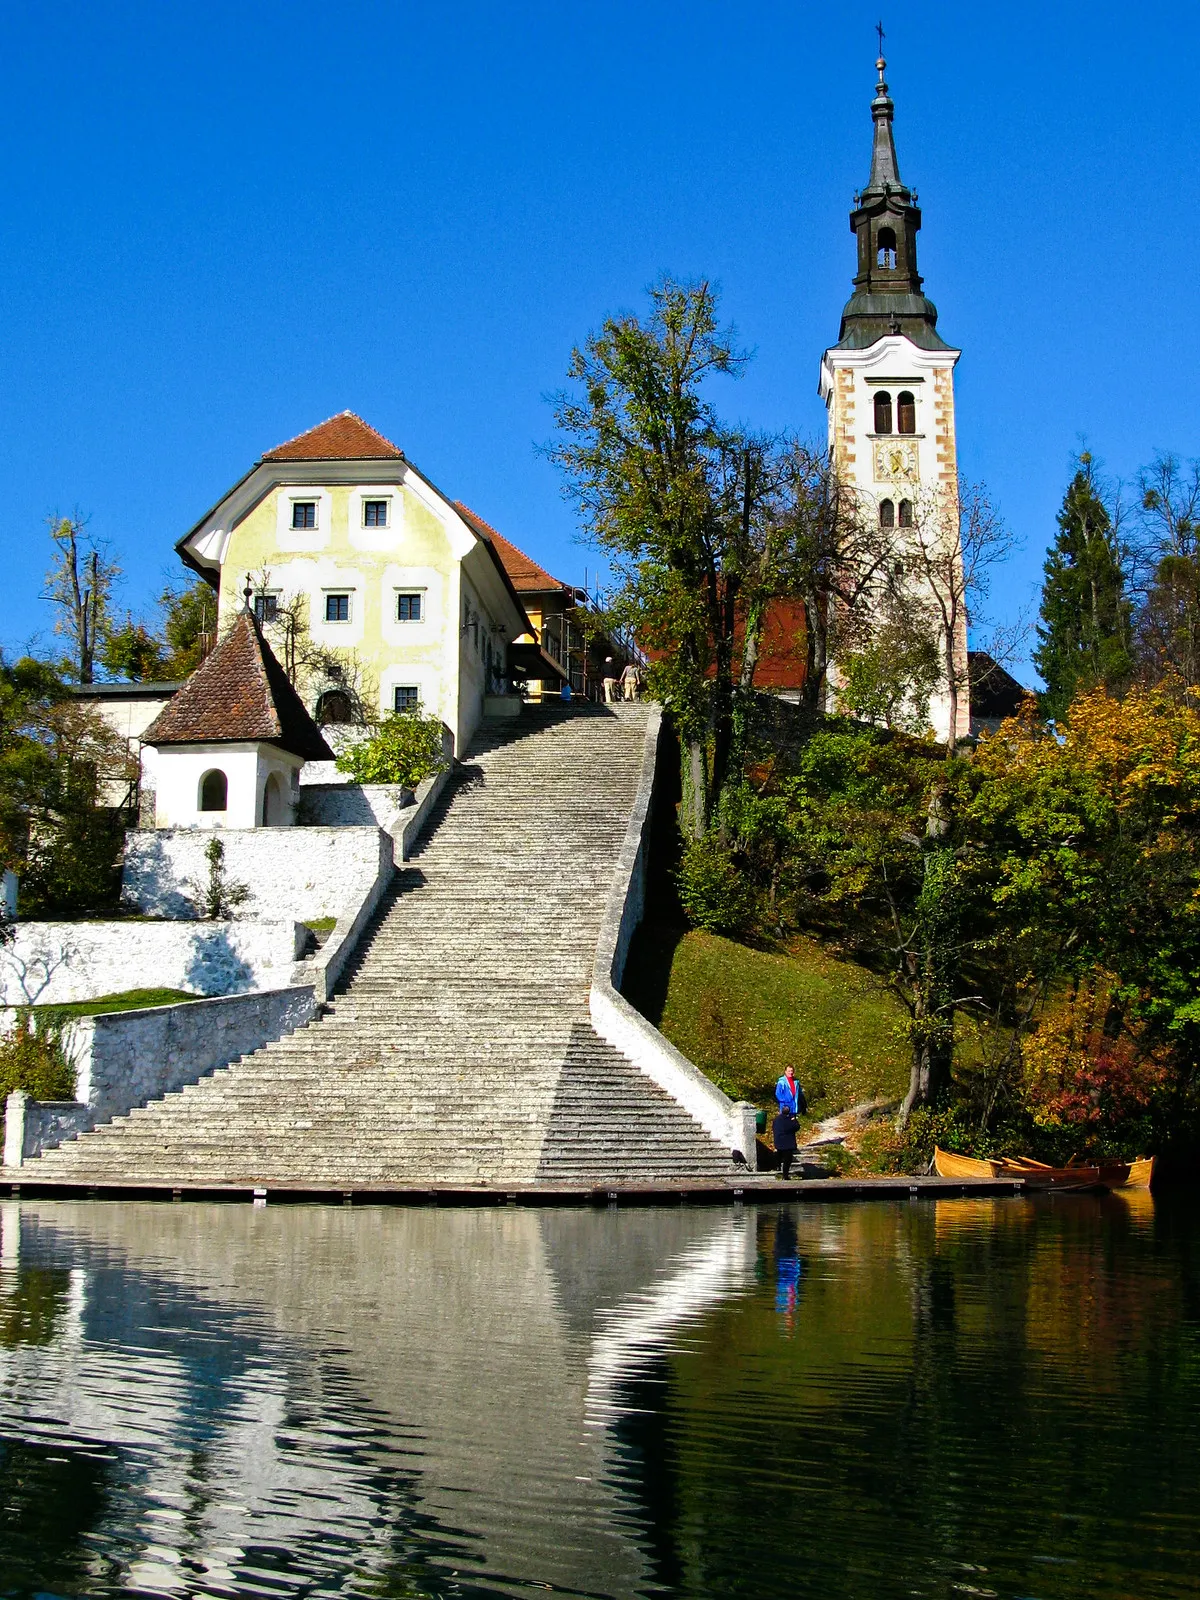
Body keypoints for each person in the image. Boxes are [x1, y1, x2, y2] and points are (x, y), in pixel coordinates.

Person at [772, 1105, 800, 1181]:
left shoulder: (776, 1119)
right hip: (787, 1143)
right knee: (787, 1160)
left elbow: (774, 1128)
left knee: (779, 1155)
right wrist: (794, 1120)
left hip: (779, 1142)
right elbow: (796, 1127)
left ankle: (777, 1167)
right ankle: (785, 1175)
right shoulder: (789, 1120)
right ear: (789, 1111)